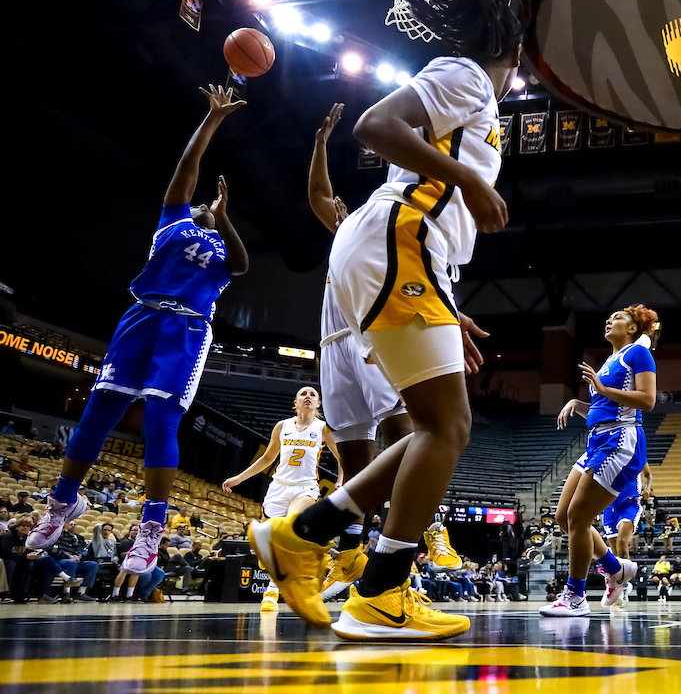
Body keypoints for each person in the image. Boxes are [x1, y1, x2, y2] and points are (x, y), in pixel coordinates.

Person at [247, 0, 522, 640]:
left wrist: (448, 306)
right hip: (397, 240)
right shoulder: (468, 76)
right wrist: (469, 182)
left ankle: (305, 534)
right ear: (511, 53)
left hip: (403, 252)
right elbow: (376, 127)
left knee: (432, 424)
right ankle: (381, 591)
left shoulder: (473, 93)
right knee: (447, 425)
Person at [27, 85, 249, 577]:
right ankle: (62, 503)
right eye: (201, 205)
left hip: (185, 329)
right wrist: (212, 119)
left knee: (159, 424)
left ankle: (151, 529)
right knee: (97, 414)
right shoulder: (172, 223)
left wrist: (226, 219)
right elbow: (187, 168)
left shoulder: (220, 251)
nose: (202, 206)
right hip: (142, 316)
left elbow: (242, 265)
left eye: (209, 210)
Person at [306, 103, 464, 600]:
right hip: (333, 347)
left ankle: (428, 532)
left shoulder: (381, 235)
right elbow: (318, 195)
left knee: (408, 433)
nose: (339, 211)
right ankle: (351, 552)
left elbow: (326, 198)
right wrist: (320, 145)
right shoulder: (347, 238)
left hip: (374, 335)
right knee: (356, 461)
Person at [541, 305, 658, 617]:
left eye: (618, 317)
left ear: (633, 328)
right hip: (597, 439)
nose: (610, 320)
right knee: (564, 518)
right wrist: (578, 403)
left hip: (621, 439)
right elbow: (603, 408)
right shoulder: (607, 361)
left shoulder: (638, 354)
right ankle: (615, 568)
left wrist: (602, 388)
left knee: (579, 517)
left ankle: (575, 597)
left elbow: (647, 400)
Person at [223, 386, 343, 612]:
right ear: (295, 402)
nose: (307, 397)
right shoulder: (282, 426)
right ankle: (273, 569)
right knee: (273, 542)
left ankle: (271, 592)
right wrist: (239, 478)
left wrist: (341, 479)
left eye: (312, 395)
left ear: (318, 404)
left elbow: (341, 456)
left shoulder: (322, 428)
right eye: (303, 394)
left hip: (305, 487)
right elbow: (267, 458)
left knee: (289, 527)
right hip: (278, 487)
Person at [600, 464, 650, 607]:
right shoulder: (607, 457)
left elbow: (648, 475)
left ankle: (621, 587)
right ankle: (624, 585)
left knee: (622, 543)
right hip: (609, 505)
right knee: (615, 551)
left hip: (630, 503)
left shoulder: (636, 454)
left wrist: (647, 489)